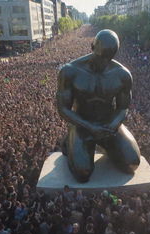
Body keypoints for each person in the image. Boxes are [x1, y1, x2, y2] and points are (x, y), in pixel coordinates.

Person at [57, 29, 141, 182]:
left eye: (108, 59)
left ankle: (104, 144)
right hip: (82, 124)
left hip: (108, 125)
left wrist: (113, 125)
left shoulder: (123, 75)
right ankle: (72, 140)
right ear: (92, 46)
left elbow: (123, 108)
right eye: (101, 57)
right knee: (83, 173)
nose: (103, 63)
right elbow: (63, 108)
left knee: (132, 163)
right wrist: (90, 127)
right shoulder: (70, 71)